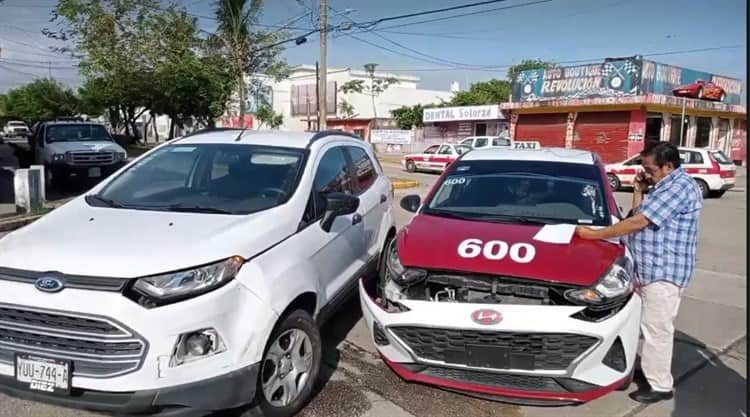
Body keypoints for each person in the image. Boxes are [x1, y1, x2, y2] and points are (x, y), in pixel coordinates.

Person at [575, 142, 702, 404]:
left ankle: (660, 385)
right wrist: (639, 191)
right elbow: (639, 213)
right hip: (647, 270)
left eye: (649, 168)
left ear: (668, 166)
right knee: (644, 326)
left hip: (663, 272)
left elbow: (638, 222)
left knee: (657, 329)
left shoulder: (678, 187)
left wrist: (595, 235)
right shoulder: (663, 186)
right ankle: (653, 372)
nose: (645, 172)